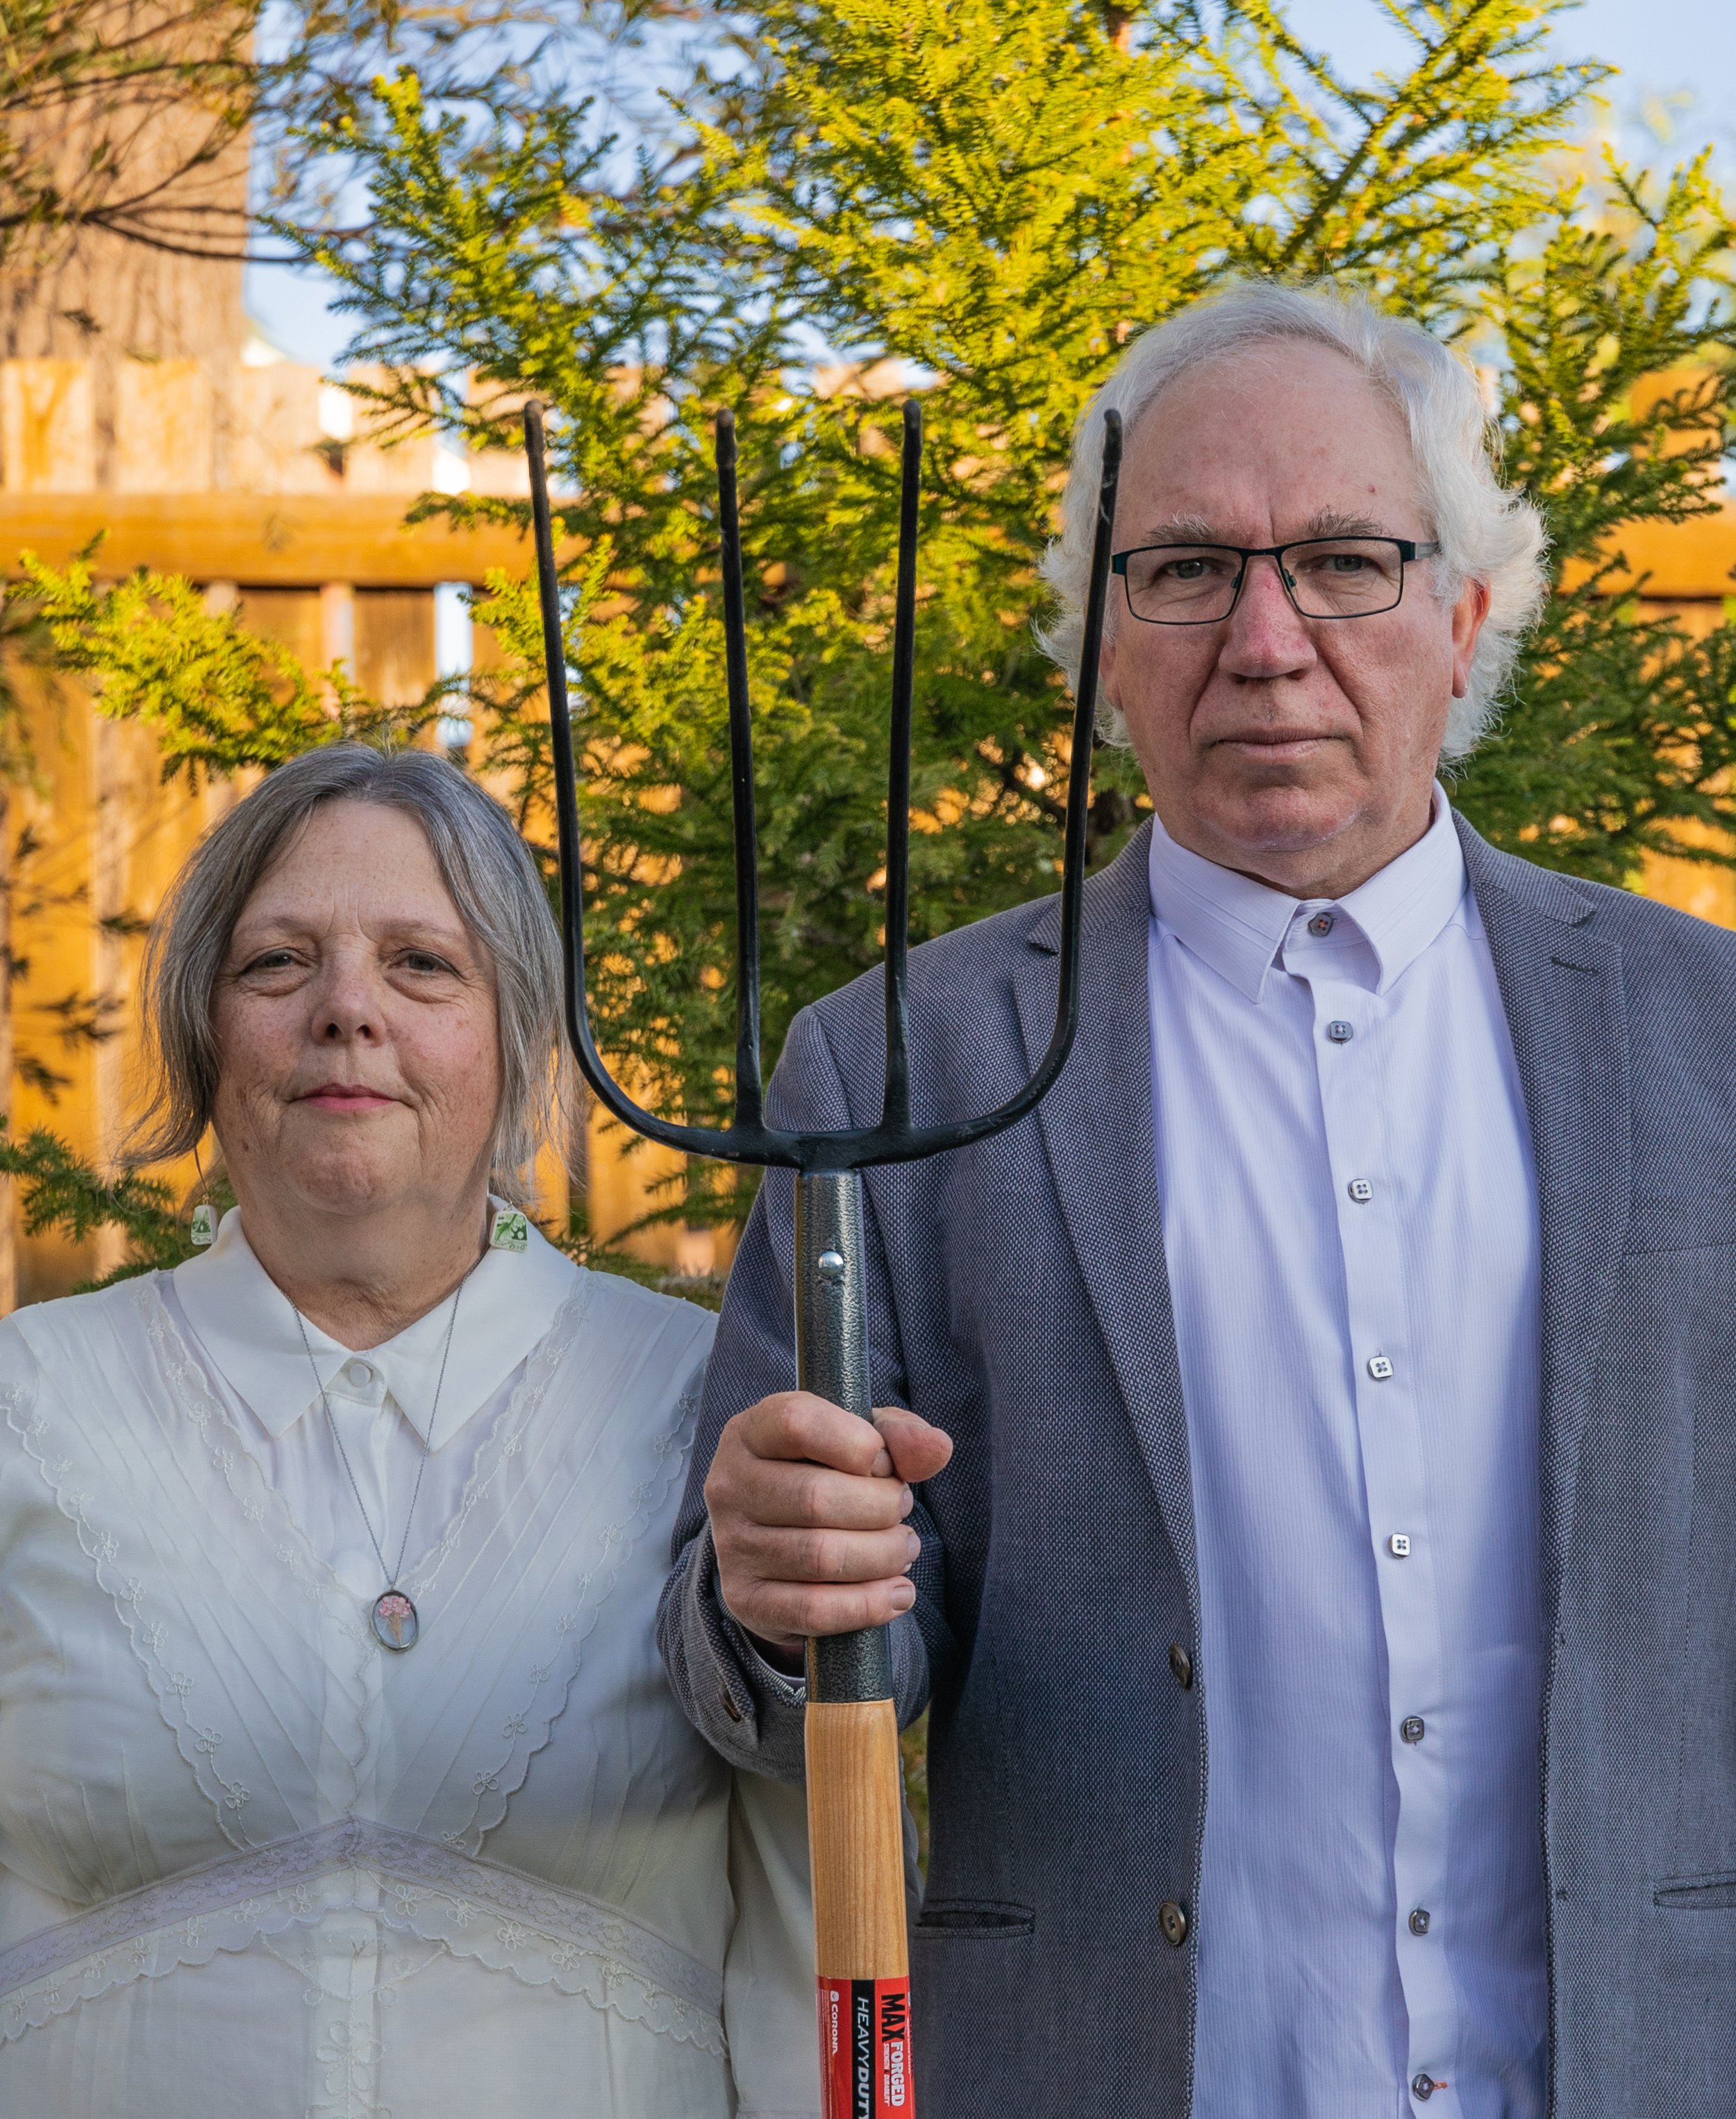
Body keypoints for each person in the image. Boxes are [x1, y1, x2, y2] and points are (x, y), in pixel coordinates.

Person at [662, 279, 1736, 2118]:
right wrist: (777, 1596)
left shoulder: (1701, 1033)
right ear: (1096, 644)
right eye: (1178, 569)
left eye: (1340, 559)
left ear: (1463, 618)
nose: (1261, 639)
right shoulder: (897, 1071)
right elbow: (767, 1675)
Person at [0, 744, 817, 2118]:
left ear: (520, 1039)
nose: (345, 1010)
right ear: (205, 1033)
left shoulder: (699, 1403)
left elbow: (807, 1944)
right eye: (277, 963)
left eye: (421, 964)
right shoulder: (31, 1401)